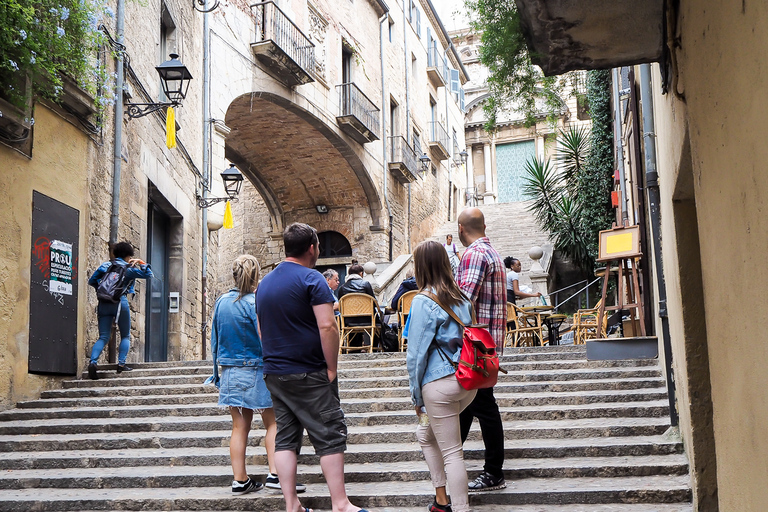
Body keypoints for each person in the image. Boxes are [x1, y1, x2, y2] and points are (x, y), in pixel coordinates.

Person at [255, 223, 368, 512]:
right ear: (312, 248)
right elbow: (328, 325)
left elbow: (260, 328)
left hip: (275, 372)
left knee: (285, 438)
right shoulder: (312, 279)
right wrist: (331, 367)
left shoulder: (265, 284)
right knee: (329, 433)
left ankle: (292, 505)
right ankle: (340, 503)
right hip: (310, 370)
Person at [208, 255, 306, 496]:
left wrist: (216, 374)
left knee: (239, 427)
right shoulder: (256, 302)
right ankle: (275, 473)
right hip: (258, 370)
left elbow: (214, 340)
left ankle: (240, 480)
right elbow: (266, 338)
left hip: (231, 370)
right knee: (273, 423)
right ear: (256, 276)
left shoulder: (221, 302)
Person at [406, 240, 476, 512]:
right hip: (466, 384)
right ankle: (441, 500)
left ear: (420, 266)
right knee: (425, 434)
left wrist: (416, 396)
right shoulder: (462, 298)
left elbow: (415, 356)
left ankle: (459, 507)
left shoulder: (423, 301)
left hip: (438, 387)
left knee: (452, 453)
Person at [455, 208, 507, 492]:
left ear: (461, 228)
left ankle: (493, 472)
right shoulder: (494, 254)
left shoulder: (475, 255)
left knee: (483, 406)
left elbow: (463, 301)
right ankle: (450, 460)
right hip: (487, 345)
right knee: (467, 404)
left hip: (475, 347)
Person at [87, 241, 153, 379]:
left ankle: (93, 362)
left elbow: (92, 281)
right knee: (125, 335)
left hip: (104, 302)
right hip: (120, 302)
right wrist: (141, 262)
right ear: (128, 256)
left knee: (103, 336)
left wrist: (105, 292)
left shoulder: (106, 265)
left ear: (115, 253)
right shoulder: (129, 268)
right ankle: (121, 364)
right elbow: (148, 274)